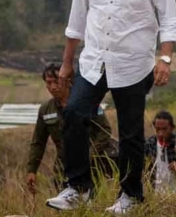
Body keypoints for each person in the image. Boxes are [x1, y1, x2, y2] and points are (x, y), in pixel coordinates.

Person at [45, 0, 176, 213]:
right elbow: (76, 19)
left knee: (131, 132)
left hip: (133, 65)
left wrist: (166, 58)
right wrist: (67, 63)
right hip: (93, 61)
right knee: (76, 114)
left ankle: (130, 197)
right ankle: (79, 189)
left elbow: (170, 20)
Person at [25, 63, 117, 195]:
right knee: (64, 204)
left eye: (56, 82)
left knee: (92, 201)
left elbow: (104, 131)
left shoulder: (86, 103)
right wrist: (32, 170)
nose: (52, 87)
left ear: (67, 81)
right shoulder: (46, 110)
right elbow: (38, 142)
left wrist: (89, 154)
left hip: (93, 166)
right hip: (63, 168)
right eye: (48, 83)